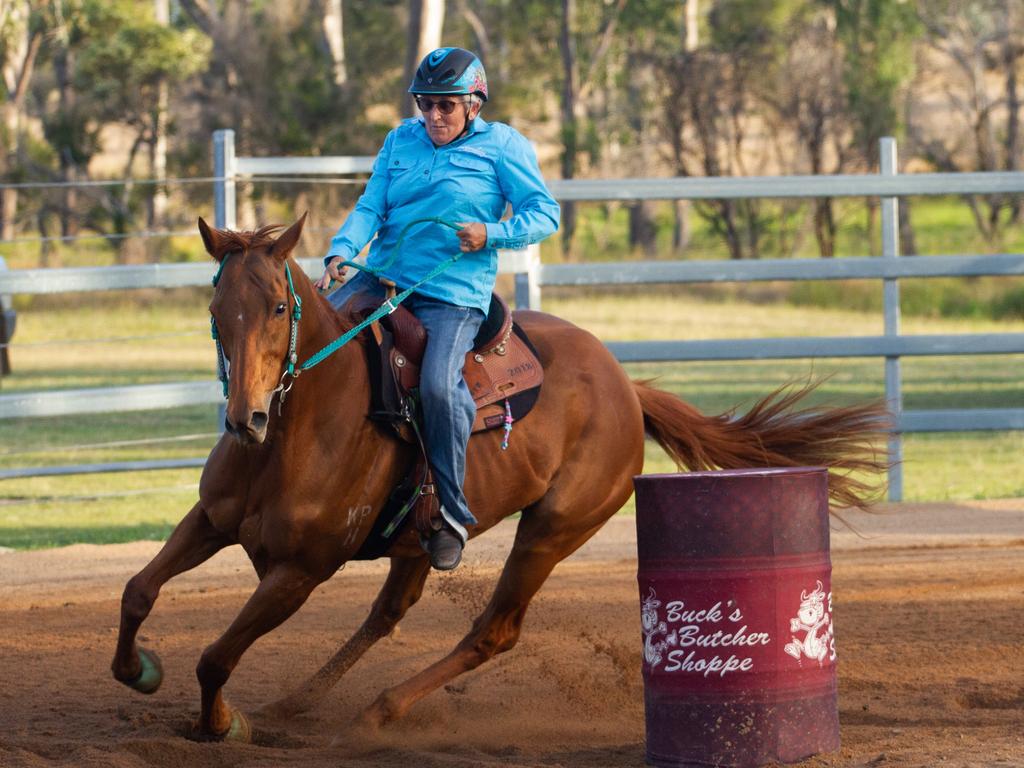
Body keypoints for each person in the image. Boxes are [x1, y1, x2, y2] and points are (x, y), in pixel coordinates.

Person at [315, 47, 560, 571]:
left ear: (474, 103)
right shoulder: (399, 140)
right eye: (425, 104)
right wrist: (341, 250)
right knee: (312, 344)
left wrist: (493, 233)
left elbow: (544, 213)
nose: (433, 116)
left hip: (451, 296)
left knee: (435, 387)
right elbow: (370, 206)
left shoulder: (503, 147)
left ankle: (450, 510)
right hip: (381, 279)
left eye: (446, 105)